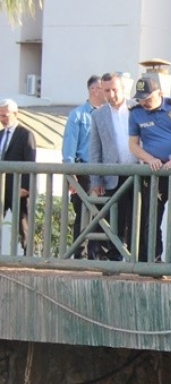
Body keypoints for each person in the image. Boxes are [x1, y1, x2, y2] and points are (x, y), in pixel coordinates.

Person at [128, 77, 171, 264]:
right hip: (155, 172)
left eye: (148, 98)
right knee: (151, 219)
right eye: (140, 98)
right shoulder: (135, 113)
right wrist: (149, 159)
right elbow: (133, 145)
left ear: (160, 93)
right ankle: (154, 260)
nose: (144, 102)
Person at [89, 72, 137, 261]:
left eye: (114, 90)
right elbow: (95, 150)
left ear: (123, 88)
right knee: (115, 219)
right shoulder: (98, 115)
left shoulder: (137, 109)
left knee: (139, 217)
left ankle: (139, 259)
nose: (111, 94)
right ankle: (116, 258)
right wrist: (96, 178)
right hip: (112, 175)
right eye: (107, 90)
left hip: (138, 172)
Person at [62, 74, 103, 258]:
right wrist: (72, 176)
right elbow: (69, 148)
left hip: (104, 170)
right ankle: (80, 253)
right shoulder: (78, 115)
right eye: (103, 88)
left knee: (102, 215)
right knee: (83, 214)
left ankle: (97, 254)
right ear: (93, 90)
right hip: (84, 170)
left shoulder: (107, 114)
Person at [0, 99, 36, 252]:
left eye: (6, 116)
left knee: (23, 225)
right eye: (1, 116)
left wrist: (26, 187)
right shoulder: (1, 135)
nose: (3, 119)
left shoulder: (26, 134)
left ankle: (28, 257)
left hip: (18, 187)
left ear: (15, 114)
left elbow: (30, 162)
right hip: (1, 187)